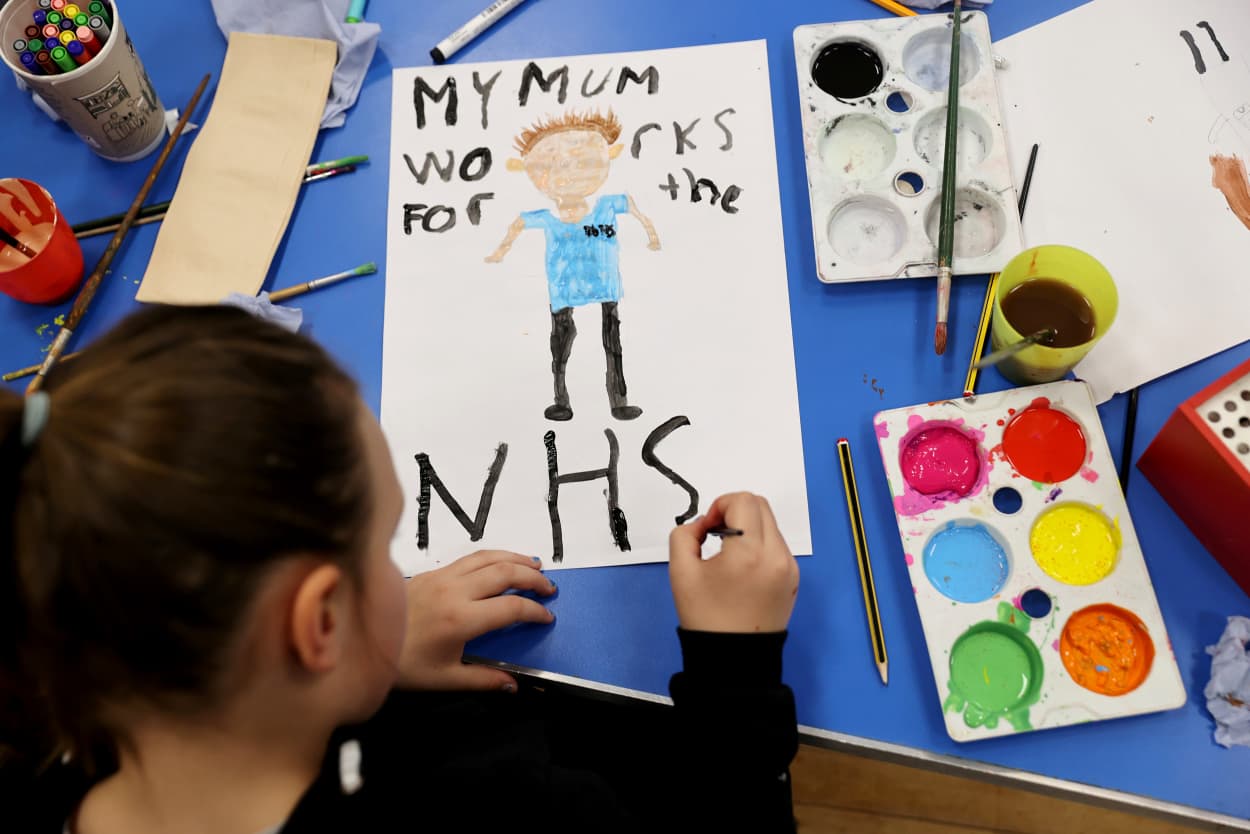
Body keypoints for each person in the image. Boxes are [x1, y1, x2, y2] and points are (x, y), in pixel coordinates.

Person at [0, 305, 800, 834]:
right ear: (315, 622)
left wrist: (363, 656)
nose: (402, 572)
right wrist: (739, 671)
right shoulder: (496, 810)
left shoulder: (52, 741)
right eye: (383, 548)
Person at [485, 110, 661, 422]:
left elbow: (634, 210)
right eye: (551, 164)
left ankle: (618, 400)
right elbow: (517, 225)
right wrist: (499, 253)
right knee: (561, 344)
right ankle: (561, 400)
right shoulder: (546, 217)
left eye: (580, 159)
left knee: (612, 341)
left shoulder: (607, 206)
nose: (566, 170)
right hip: (564, 288)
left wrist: (651, 235)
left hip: (604, 284)